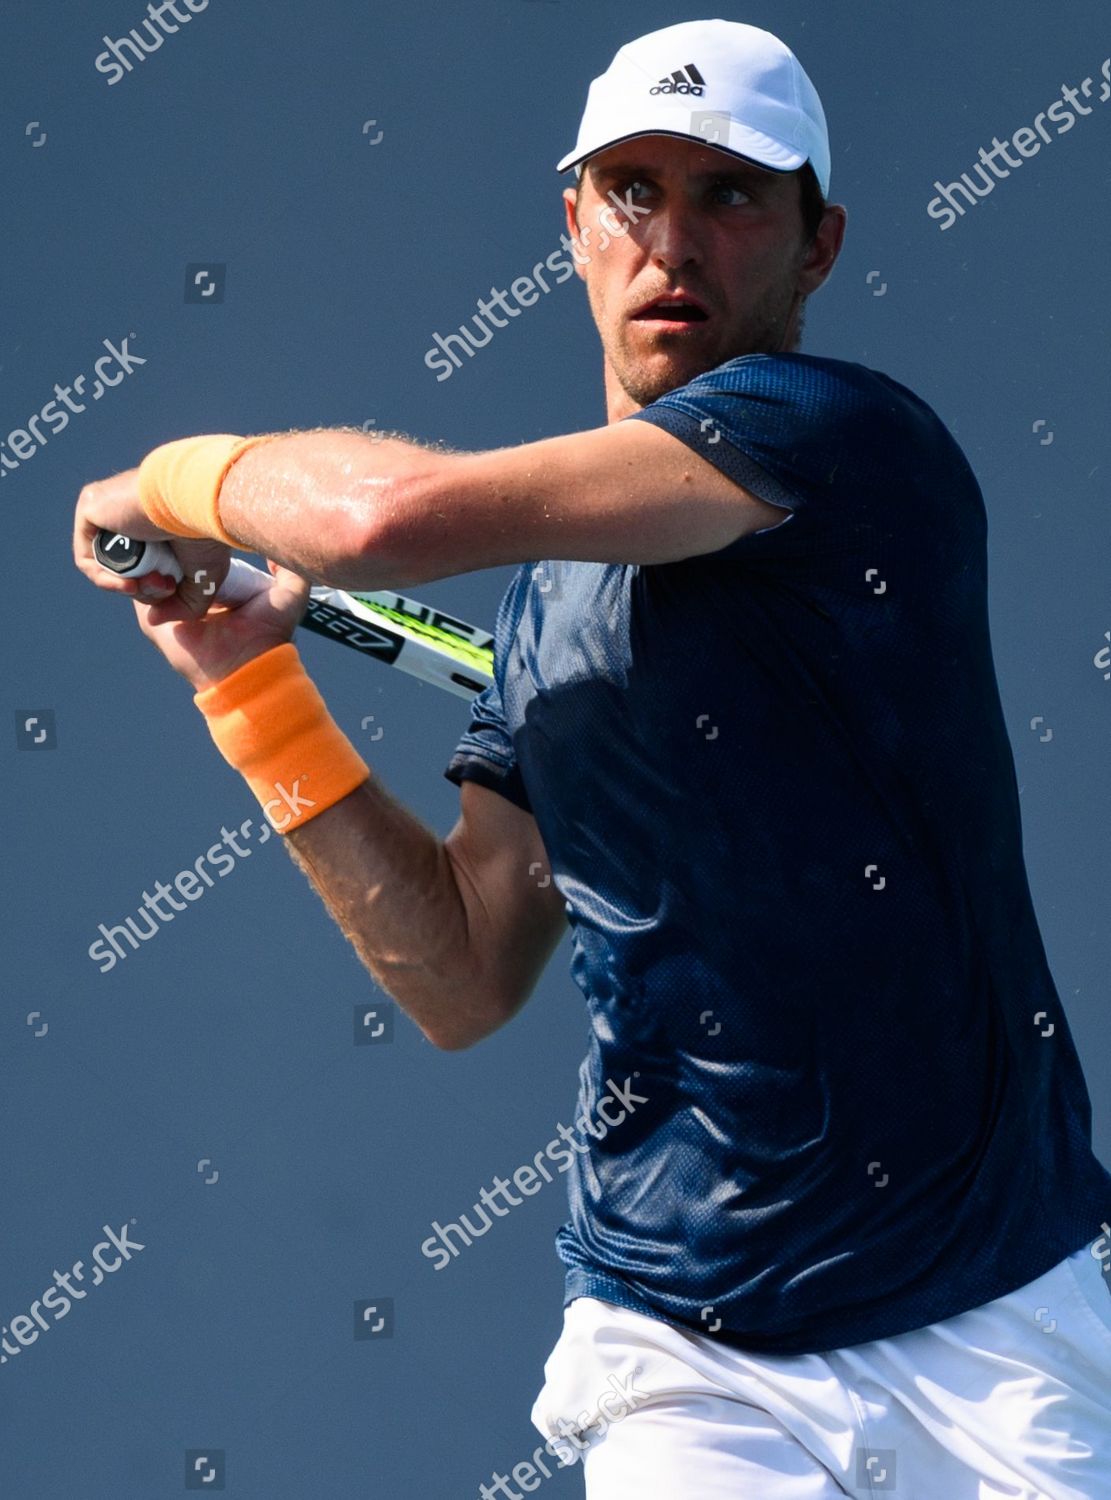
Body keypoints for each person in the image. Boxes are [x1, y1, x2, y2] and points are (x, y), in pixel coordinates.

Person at [73, 18, 1111, 1498]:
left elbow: (375, 525)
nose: (672, 239)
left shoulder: (841, 440)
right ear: (573, 224)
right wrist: (256, 695)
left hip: (998, 1318)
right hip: (684, 1357)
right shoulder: (547, 609)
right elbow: (465, 968)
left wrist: (167, 477)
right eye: (632, 190)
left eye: (729, 195)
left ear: (817, 247)